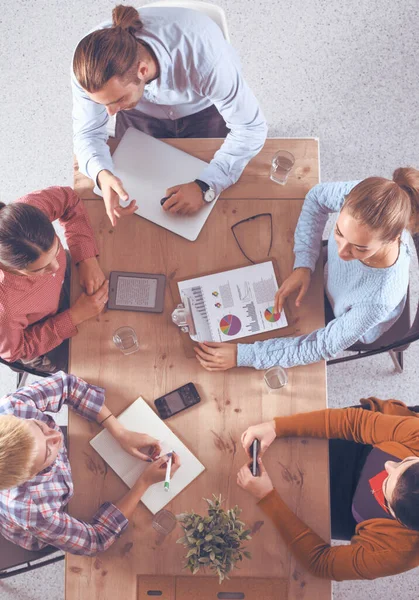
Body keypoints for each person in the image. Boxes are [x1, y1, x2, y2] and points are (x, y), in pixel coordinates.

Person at [194, 167, 419, 371]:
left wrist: (242, 355)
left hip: (346, 316)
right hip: (324, 279)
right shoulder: (362, 199)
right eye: (339, 233)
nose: (341, 252)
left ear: (393, 238)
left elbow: (323, 346)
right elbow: (317, 197)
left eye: (359, 248)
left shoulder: (379, 298)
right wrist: (304, 263)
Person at [72, 4, 267, 226]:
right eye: (103, 103)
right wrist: (101, 173)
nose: (109, 113)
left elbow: (251, 128)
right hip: (139, 114)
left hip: (203, 109)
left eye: (117, 100)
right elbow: (87, 132)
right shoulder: (87, 68)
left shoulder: (206, 58)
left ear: (142, 70)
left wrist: (206, 187)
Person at [237, 398, 419, 580]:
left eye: (386, 484)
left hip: (348, 509)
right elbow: (355, 423)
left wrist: (266, 496)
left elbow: (322, 562)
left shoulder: (397, 551)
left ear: (395, 516)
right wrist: (275, 427)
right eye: (403, 462)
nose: (388, 464)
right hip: (362, 446)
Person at [0, 371, 180, 555]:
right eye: (48, 452)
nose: (57, 435)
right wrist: (144, 483)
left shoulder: (12, 408)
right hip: (42, 525)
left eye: (39, 426)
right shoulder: (33, 511)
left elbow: (67, 385)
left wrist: (120, 432)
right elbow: (96, 540)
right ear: (30, 476)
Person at [0, 186, 109, 372]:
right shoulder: (5, 308)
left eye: (55, 249)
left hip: (64, 289)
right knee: (97, 365)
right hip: (44, 337)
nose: (55, 268)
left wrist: (86, 259)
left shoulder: (31, 212)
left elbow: (70, 200)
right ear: (12, 268)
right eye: (41, 269)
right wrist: (74, 317)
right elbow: (17, 351)